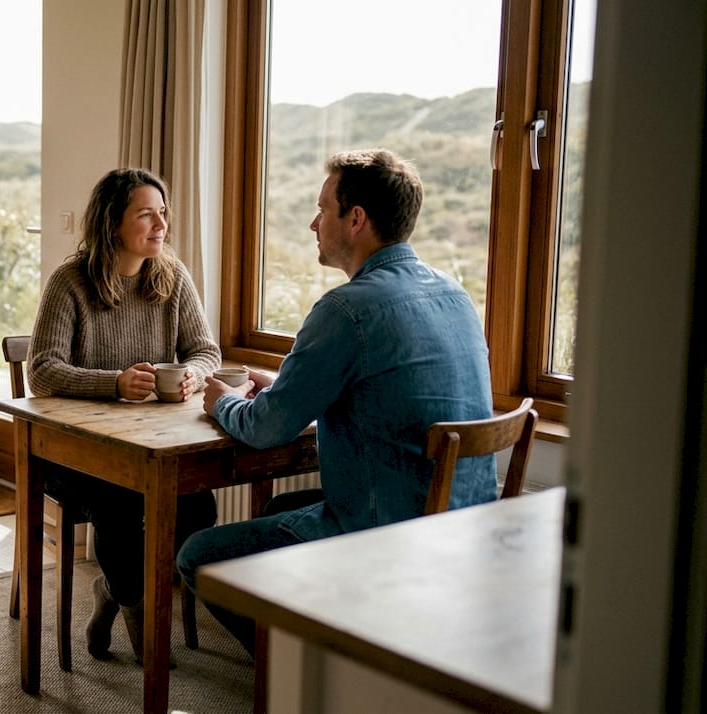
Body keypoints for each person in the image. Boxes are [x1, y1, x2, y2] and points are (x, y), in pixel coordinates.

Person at [176, 149, 496, 657]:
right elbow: (381, 385)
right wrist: (285, 383)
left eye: (322, 208)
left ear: (356, 219)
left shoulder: (346, 309)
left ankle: (302, 679)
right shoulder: (455, 295)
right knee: (283, 508)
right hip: (465, 528)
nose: (312, 222)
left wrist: (222, 401)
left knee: (198, 554)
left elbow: (264, 429)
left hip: (385, 540)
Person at [27, 167, 221, 663]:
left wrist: (194, 376)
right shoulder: (70, 283)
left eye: (163, 214)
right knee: (118, 502)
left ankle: (116, 595)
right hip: (74, 455)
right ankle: (139, 607)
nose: (161, 226)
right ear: (114, 223)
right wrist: (112, 383)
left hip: (151, 443)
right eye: (146, 215)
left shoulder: (172, 278)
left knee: (199, 506)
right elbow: (42, 371)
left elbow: (205, 350)